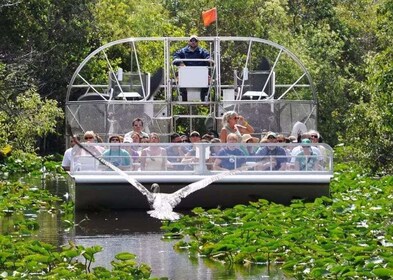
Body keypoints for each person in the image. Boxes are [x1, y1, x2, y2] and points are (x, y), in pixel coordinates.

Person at [173, 35, 211, 101]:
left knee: (208, 78)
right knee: (178, 77)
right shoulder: (183, 51)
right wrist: (180, 63)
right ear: (188, 42)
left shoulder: (202, 51)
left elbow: (208, 57)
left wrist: (209, 60)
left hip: (200, 74)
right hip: (186, 74)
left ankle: (204, 97)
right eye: (191, 40)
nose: (193, 42)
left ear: (197, 42)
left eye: (195, 41)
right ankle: (183, 96)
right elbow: (175, 56)